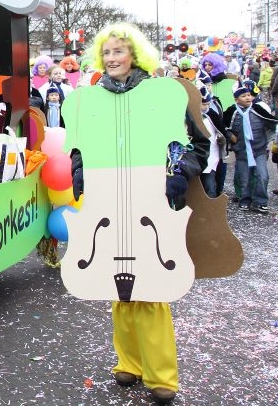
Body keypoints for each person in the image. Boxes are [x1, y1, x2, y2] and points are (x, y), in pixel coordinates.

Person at [67, 23, 208, 405]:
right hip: (109, 203)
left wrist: (177, 175)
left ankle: (162, 376)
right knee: (117, 287)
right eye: (107, 52)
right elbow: (78, 148)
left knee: (152, 290)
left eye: (119, 51)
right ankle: (128, 362)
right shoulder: (90, 100)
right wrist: (80, 173)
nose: (112, 58)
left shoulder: (162, 95)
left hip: (151, 203)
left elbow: (195, 145)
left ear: (135, 55)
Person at [223, 81, 278, 214]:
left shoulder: (257, 109)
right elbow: (222, 126)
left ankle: (260, 201)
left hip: (259, 150)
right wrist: (230, 135)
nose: (248, 98)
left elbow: (272, 122)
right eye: (243, 96)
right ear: (236, 99)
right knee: (244, 178)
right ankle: (245, 200)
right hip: (241, 151)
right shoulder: (232, 112)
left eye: (248, 95)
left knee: (262, 175)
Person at [199, 86, 225, 198]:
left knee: (209, 183)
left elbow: (220, 129)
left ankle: (212, 202)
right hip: (196, 155)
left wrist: (221, 138)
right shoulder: (190, 116)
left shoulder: (212, 115)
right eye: (203, 104)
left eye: (208, 104)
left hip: (211, 154)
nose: (206, 107)